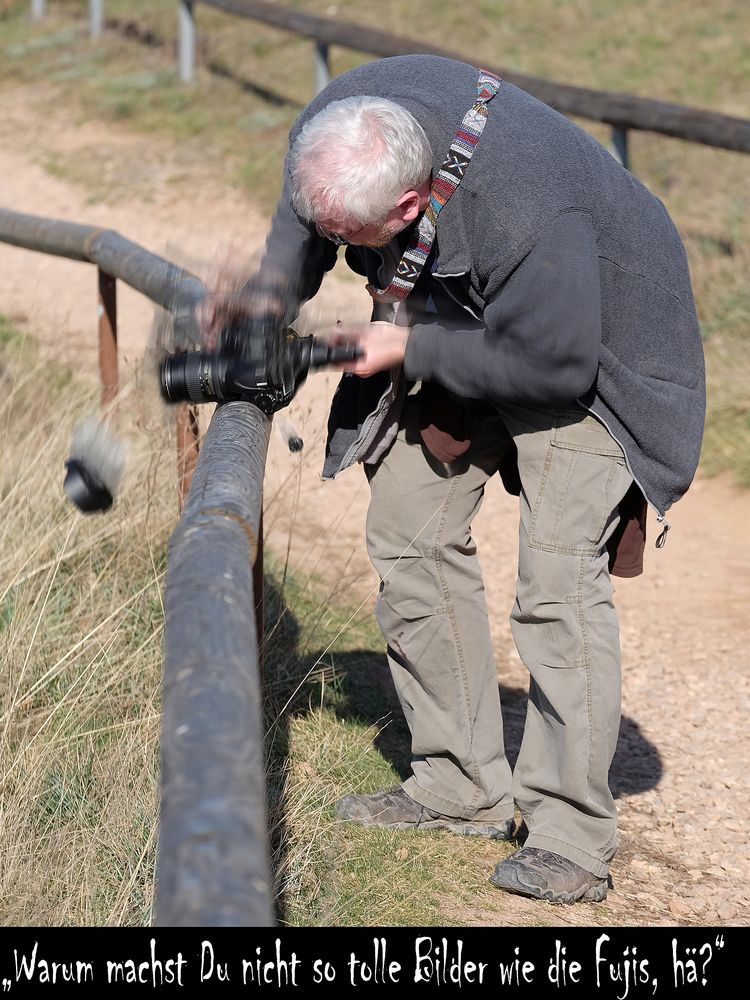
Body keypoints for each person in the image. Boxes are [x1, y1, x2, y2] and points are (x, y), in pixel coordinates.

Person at [241, 54, 706, 904]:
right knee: (407, 531)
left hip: (593, 352)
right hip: (475, 316)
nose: (344, 254)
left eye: (360, 241)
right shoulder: (345, 124)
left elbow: (555, 364)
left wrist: (409, 346)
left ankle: (569, 836)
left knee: (558, 584)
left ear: (412, 205)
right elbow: (306, 222)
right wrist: (266, 309)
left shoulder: (530, 207)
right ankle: (460, 787)